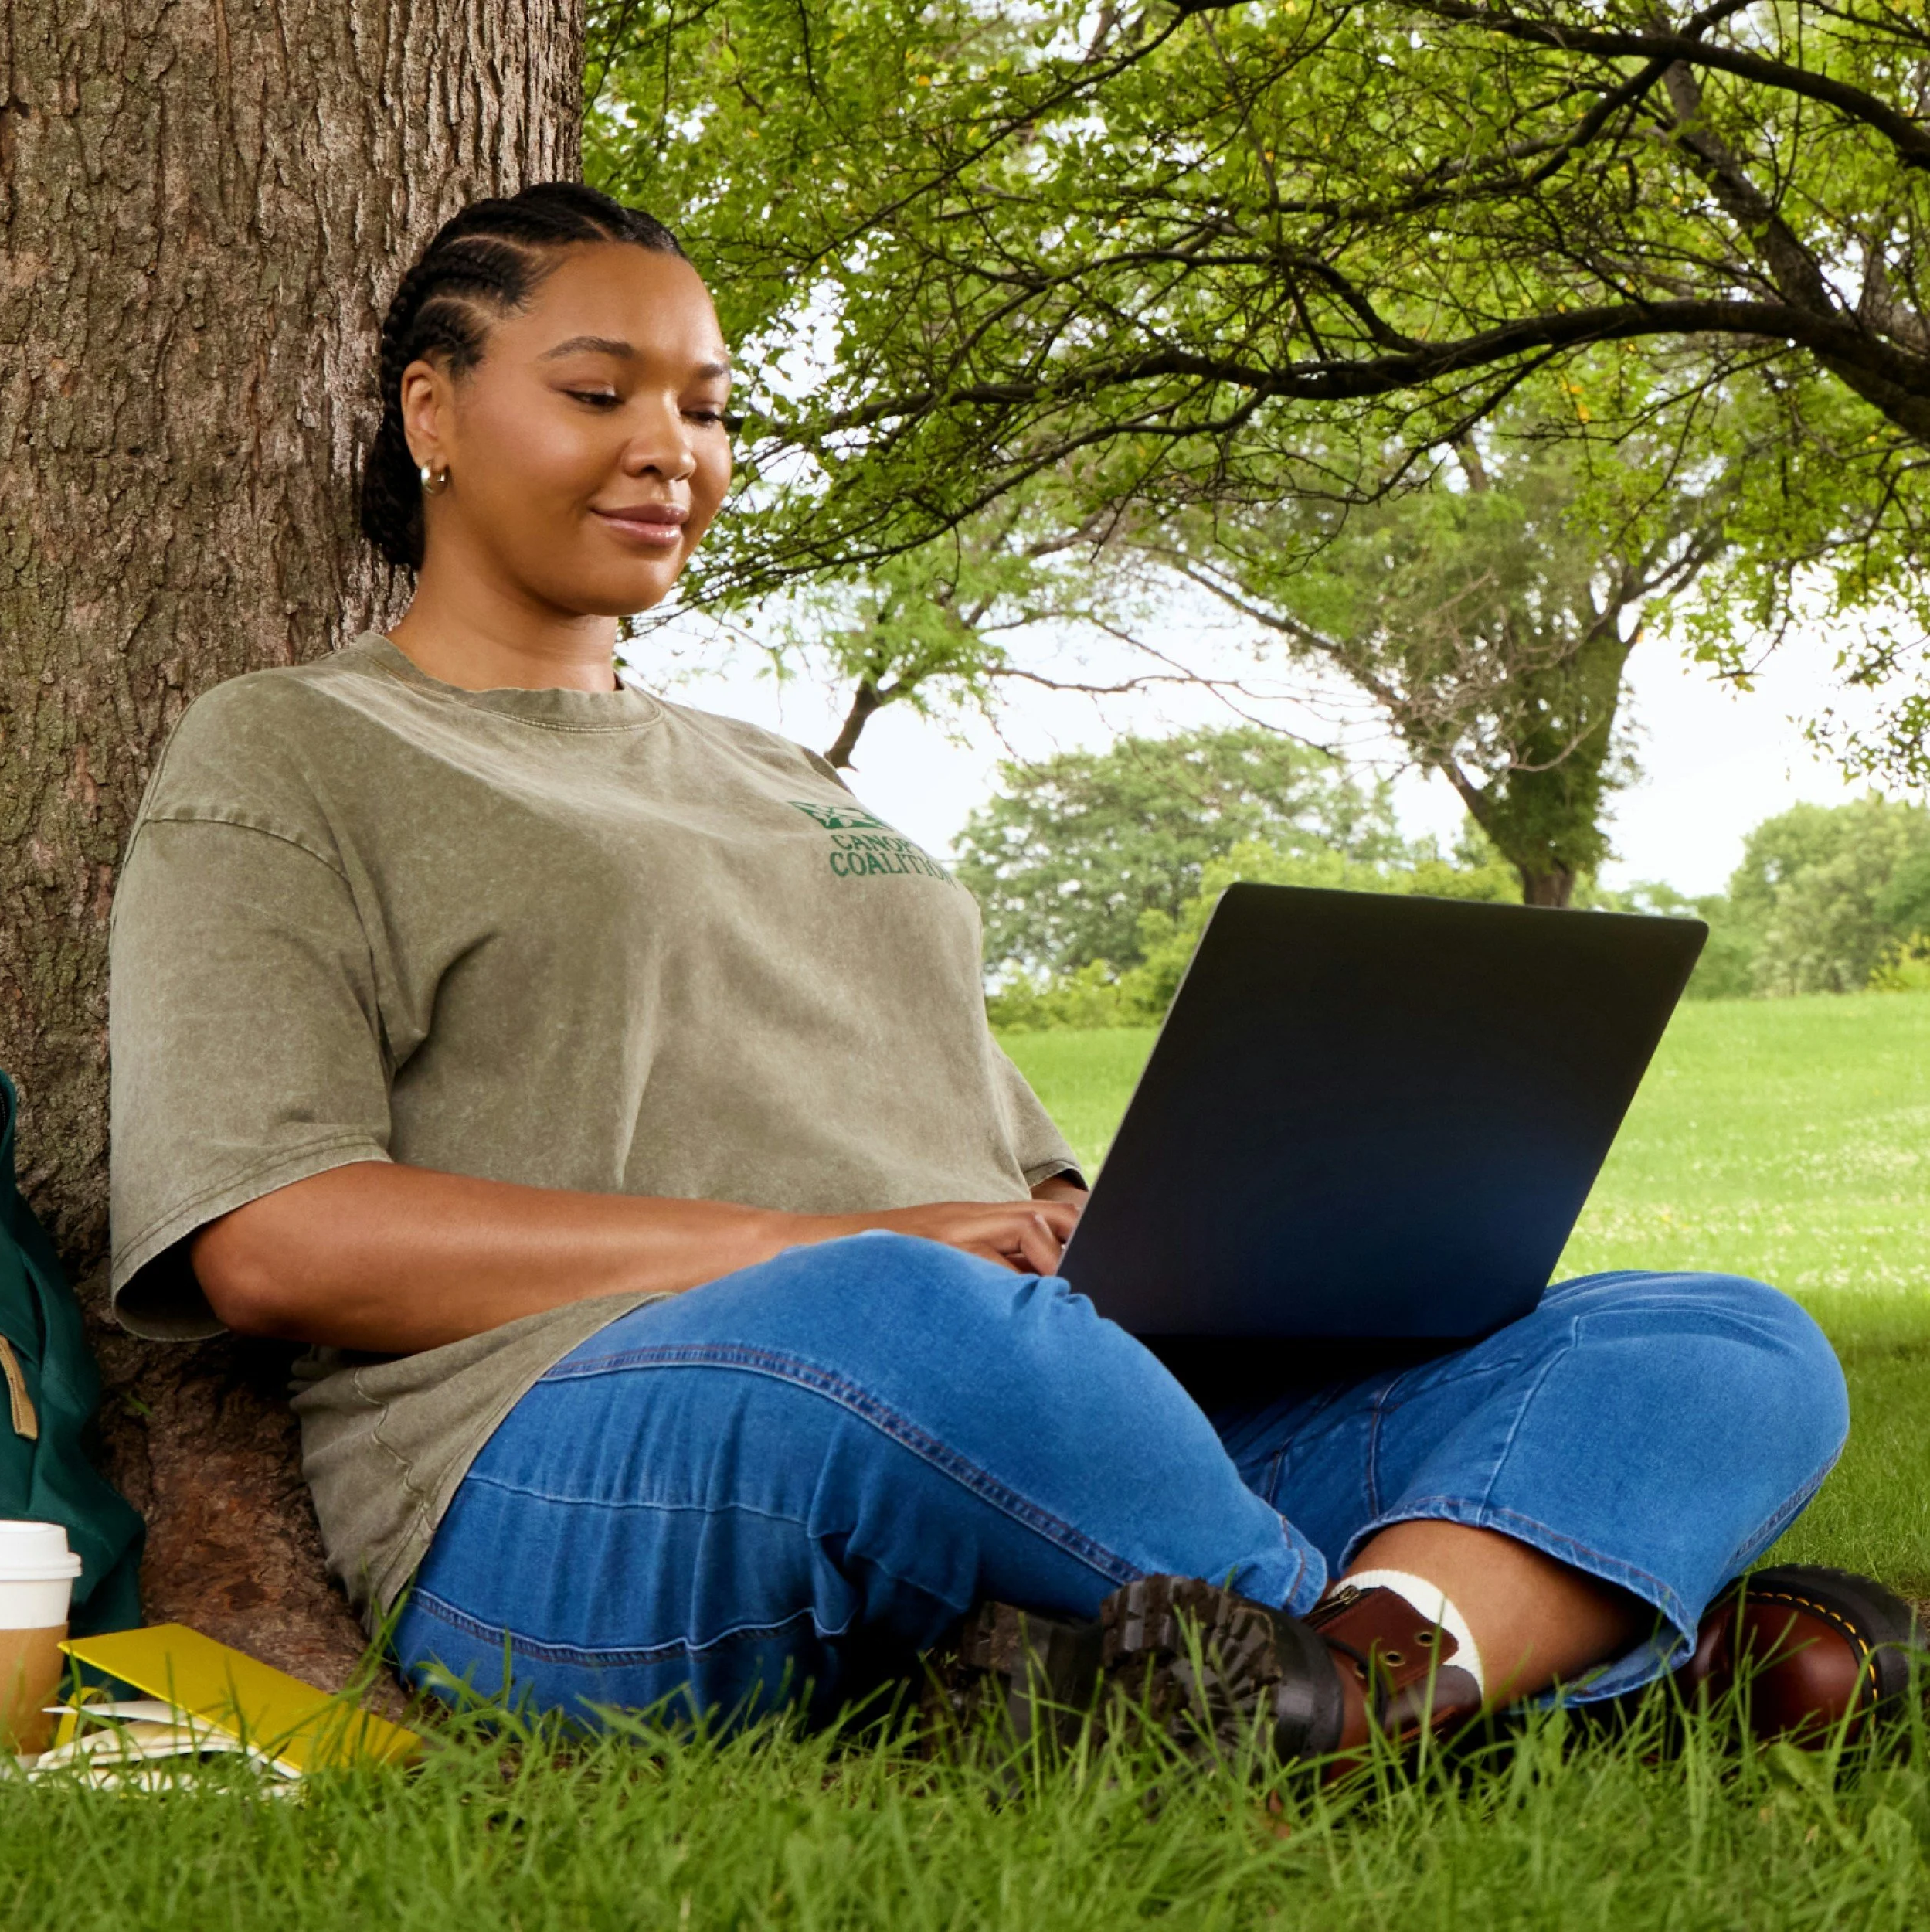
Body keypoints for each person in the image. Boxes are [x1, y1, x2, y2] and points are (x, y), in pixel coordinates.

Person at [107, 182, 1911, 1765]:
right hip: (572, 1475)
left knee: (1715, 1336)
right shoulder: (297, 750)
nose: (672, 449)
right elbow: (273, 1235)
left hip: (1009, 1391)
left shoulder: (783, 771)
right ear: (432, 407)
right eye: (598, 393)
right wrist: (824, 1244)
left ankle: (1337, 1686)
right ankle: (1520, 1659)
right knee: (927, 1322)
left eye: (709, 409)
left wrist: (1101, 1221)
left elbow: (1003, 1182)